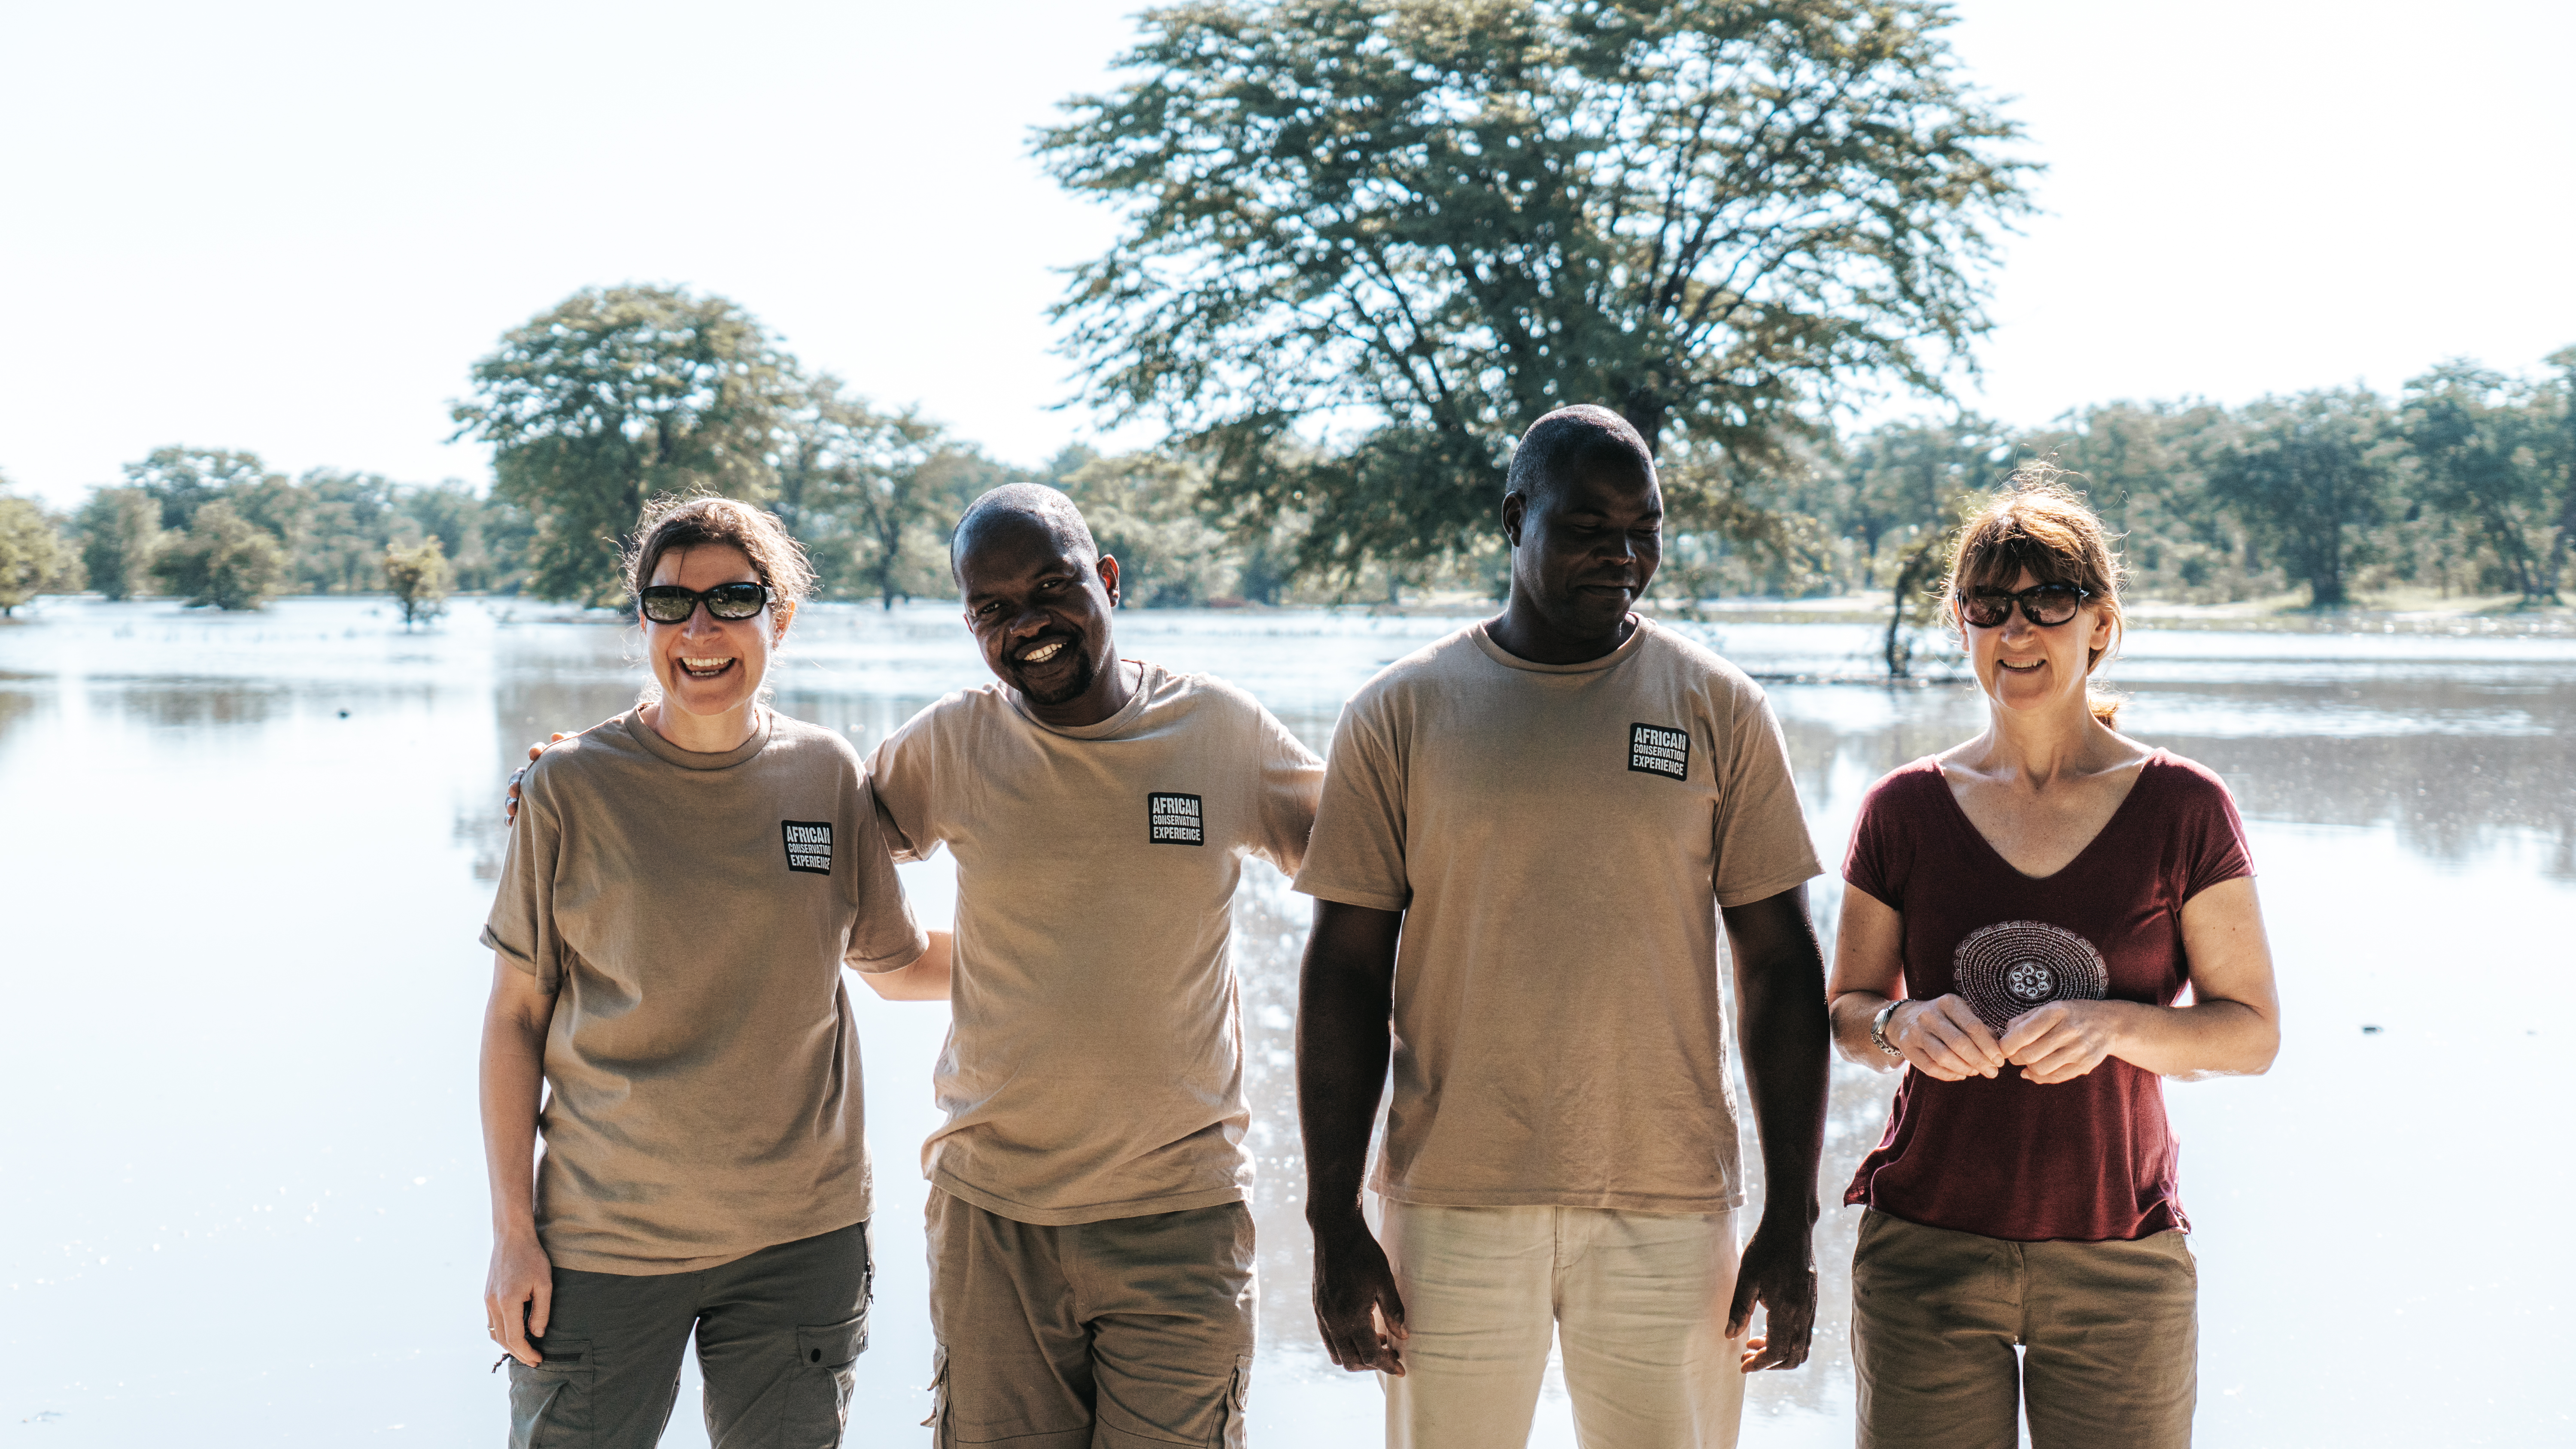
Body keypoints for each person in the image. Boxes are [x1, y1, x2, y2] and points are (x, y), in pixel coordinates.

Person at [1295, 404, 1833, 1449]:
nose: (1624, 554)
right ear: (1515, 517)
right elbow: (1345, 974)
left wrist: (1791, 1216)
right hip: (1450, 1199)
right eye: (1591, 524)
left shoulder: (1720, 707)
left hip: (1671, 1200)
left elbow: (1777, 964)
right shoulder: (1399, 712)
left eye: (1647, 526)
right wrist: (1330, 1218)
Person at [851, 484, 1321, 1449]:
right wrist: (602, 771)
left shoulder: (1219, 731)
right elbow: (808, 836)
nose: (1028, 624)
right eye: (992, 608)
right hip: (995, 1219)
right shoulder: (953, 741)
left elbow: (1378, 861)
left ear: (1109, 580)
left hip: (1181, 1216)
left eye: (1052, 587)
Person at [1824, 469, 2281, 1449]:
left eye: (2049, 603)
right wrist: (1900, 1022)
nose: (2018, 632)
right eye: (1990, 606)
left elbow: (2249, 1034)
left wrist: (2115, 1022)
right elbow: (1849, 1010)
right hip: (1925, 1252)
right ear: (1961, 620)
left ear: (2101, 622)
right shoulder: (1900, 808)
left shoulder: (2184, 806)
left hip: (2122, 1260)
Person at [479, 496, 933, 1449]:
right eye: (670, 603)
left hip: (800, 1241)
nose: (701, 630)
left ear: (782, 616)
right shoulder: (571, 787)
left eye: (733, 598)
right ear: (641, 618)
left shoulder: (827, 774)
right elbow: (516, 1016)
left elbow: (897, 965)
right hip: (603, 1245)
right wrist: (514, 1233)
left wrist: (1090, 954)